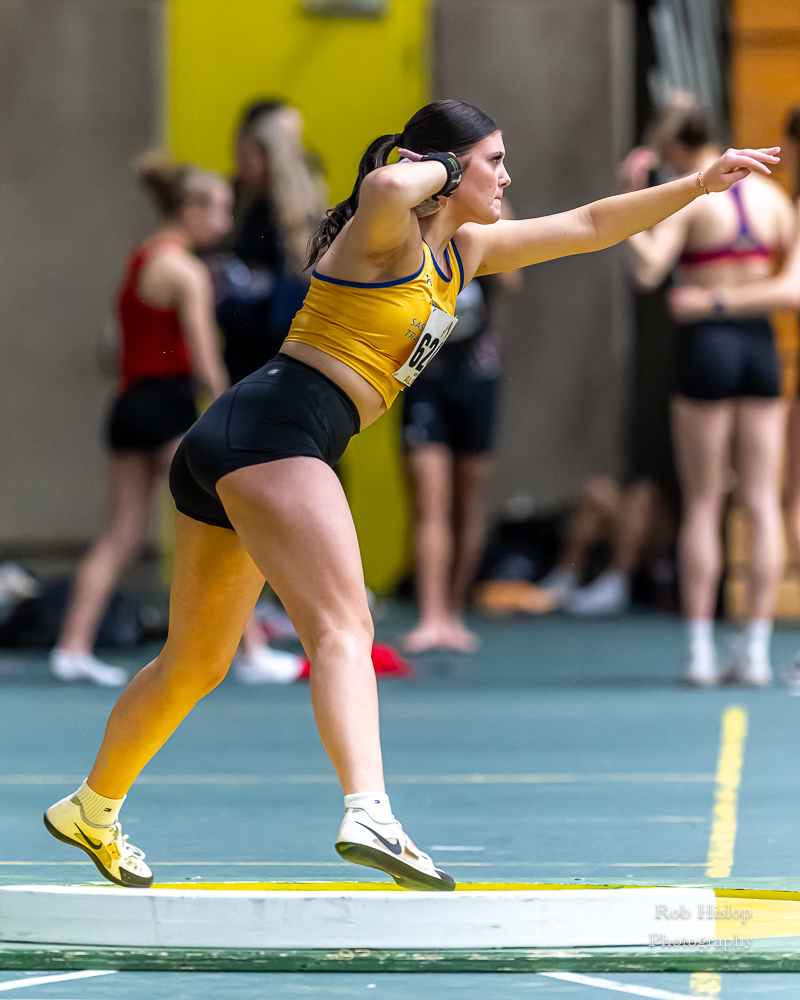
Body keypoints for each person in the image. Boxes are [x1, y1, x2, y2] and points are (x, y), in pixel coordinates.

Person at [43, 99, 778, 891]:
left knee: (194, 664)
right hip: (273, 433)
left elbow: (592, 224)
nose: (507, 176)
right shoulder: (384, 232)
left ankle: (92, 806)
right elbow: (387, 188)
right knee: (344, 627)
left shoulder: (464, 251)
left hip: (248, 440)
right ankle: (369, 813)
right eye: (494, 160)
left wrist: (698, 184)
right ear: (443, 169)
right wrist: (444, 164)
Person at [622, 107, 795, 686]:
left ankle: (698, 649)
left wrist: (630, 201)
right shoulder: (773, 199)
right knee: (762, 500)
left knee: (702, 501)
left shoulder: (695, 195)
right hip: (760, 345)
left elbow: (649, 270)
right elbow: (790, 285)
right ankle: (756, 650)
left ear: (674, 145)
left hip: (707, 344)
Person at [49, 155, 231, 687]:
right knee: (222, 522)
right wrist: (231, 411)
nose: (225, 222)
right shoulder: (186, 271)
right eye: (219, 210)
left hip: (129, 405)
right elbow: (205, 360)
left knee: (121, 535)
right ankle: (247, 651)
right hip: (166, 407)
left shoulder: (139, 258)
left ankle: (72, 647)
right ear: (190, 211)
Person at [208, 99, 327, 683]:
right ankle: (253, 616)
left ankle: (283, 601)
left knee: (284, 485)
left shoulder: (292, 212)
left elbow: (291, 292)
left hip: (276, 361)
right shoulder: (242, 205)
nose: (241, 163)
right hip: (247, 360)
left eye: (251, 154)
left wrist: (240, 290)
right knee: (246, 490)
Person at [401, 201, 521, 653]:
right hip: (425, 374)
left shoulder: (492, 211)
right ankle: (430, 615)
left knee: (468, 502)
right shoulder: (418, 209)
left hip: (477, 373)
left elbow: (512, 279)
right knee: (430, 503)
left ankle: (453, 612)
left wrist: (491, 224)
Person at [542, 475, 675, 614]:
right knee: (597, 489)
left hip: (671, 524)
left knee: (642, 495)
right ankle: (565, 576)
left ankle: (615, 581)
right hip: (634, 513)